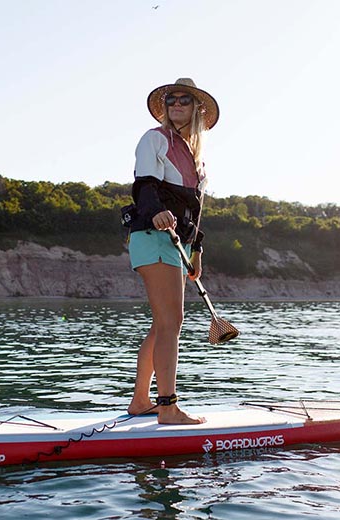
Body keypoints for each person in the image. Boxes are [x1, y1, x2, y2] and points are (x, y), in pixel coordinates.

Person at [126, 78, 219, 425]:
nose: (176, 104)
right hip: (153, 235)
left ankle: (140, 402)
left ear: (197, 109)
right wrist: (154, 211)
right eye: (171, 100)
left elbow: (194, 211)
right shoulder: (154, 139)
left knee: (161, 325)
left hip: (179, 244)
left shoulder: (196, 157)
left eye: (184, 100)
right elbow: (145, 185)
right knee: (171, 323)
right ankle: (167, 407)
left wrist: (198, 251)